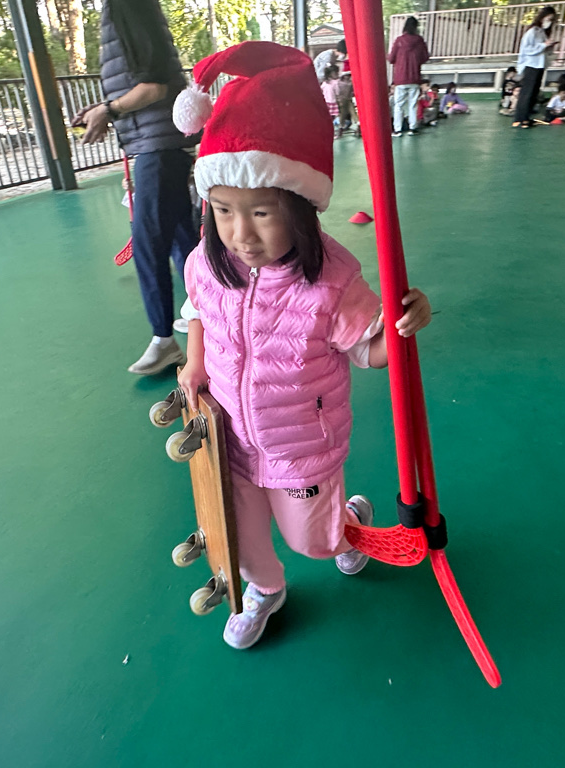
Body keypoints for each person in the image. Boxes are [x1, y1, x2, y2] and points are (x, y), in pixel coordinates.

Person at [172, 41, 432, 650]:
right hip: (231, 438)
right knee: (241, 538)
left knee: (312, 541)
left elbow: (369, 351)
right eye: (223, 210)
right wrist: (195, 361)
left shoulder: (332, 282)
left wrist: (402, 327)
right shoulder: (207, 263)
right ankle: (264, 590)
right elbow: (198, 312)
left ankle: (348, 522)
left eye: (261, 213)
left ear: (299, 206)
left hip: (301, 448)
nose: (240, 234)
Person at [73, 0, 198, 375]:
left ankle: (164, 340)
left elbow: (153, 87)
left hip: (158, 147)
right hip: (163, 144)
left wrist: (109, 110)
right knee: (183, 241)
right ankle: (205, 316)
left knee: (149, 245)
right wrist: (105, 107)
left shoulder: (126, 4)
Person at [513, 6, 559, 128]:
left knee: (534, 92)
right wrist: (544, 45)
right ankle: (521, 119)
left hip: (539, 65)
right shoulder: (532, 31)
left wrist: (549, 46)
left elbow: (544, 50)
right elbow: (527, 49)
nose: (550, 22)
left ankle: (527, 116)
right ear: (542, 17)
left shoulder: (543, 32)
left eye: (552, 19)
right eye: (548, 18)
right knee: (527, 93)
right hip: (530, 65)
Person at [388, 16, 430, 136]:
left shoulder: (399, 40)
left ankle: (397, 129)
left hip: (400, 78)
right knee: (413, 104)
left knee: (398, 105)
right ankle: (413, 128)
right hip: (415, 78)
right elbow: (425, 57)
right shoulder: (419, 40)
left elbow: (391, 59)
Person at [320, 65, 342, 135]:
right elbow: (337, 92)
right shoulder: (327, 82)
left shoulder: (333, 82)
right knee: (330, 117)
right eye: (335, 73)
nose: (337, 74)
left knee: (331, 117)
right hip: (328, 102)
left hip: (331, 102)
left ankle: (331, 130)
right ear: (329, 74)